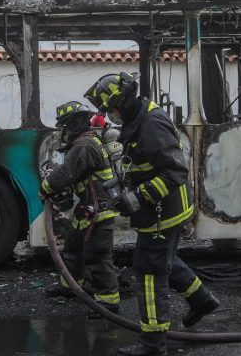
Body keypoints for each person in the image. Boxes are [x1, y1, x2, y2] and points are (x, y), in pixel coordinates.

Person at [84, 73, 219, 356]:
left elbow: (175, 171)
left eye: (111, 110)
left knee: (148, 272)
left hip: (162, 213)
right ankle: (201, 299)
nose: (111, 117)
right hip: (164, 211)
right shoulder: (140, 118)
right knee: (165, 259)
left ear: (122, 102)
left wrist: (140, 196)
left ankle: (153, 343)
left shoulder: (151, 124)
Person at [39, 101, 121, 318]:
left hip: (99, 211)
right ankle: (72, 286)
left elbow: (66, 174)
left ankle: (108, 303)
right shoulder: (84, 143)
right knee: (73, 246)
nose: (63, 130)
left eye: (65, 125)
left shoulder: (84, 146)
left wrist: (46, 187)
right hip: (88, 208)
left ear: (74, 124)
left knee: (97, 255)